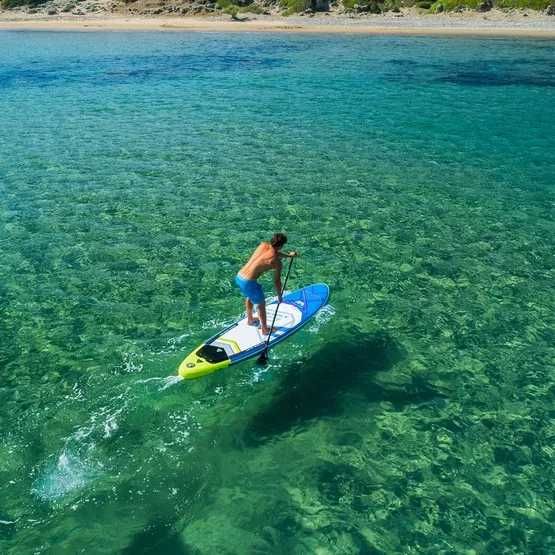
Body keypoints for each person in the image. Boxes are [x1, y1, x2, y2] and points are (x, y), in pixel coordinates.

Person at [235, 233, 298, 335]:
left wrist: (288, 256)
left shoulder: (263, 245)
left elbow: (274, 252)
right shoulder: (276, 262)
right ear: (281, 245)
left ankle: (250, 320)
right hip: (249, 282)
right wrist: (279, 295)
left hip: (239, 276)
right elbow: (276, 281)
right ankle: (265, 329)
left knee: (249, 296)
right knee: (261, 304)